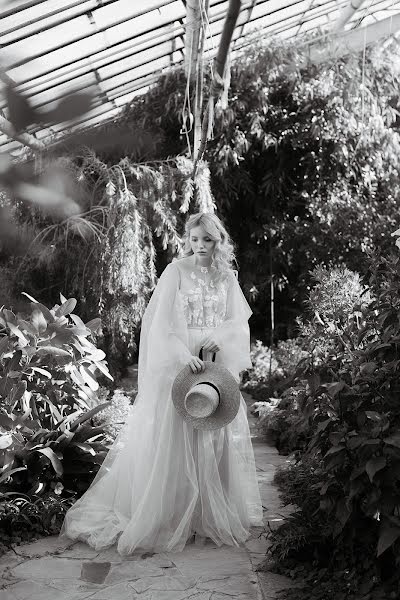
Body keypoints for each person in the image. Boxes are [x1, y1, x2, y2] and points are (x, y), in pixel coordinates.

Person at [60, 211, 263, 554]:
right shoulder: (175, 271)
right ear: (188, 239)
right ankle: (170, 512)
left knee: (213, 429)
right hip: (181, 360)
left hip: (215, 363)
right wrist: (184, 355)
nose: (201, 246)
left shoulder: (228, 277)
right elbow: (160, 324)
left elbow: (237, 320)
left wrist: (222, 337)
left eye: (208, 240)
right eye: (195, 239)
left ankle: (207, 513)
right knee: (179, 431)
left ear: (219, 242)